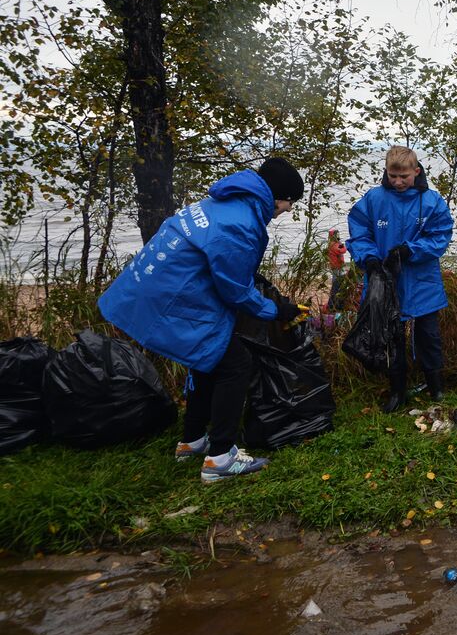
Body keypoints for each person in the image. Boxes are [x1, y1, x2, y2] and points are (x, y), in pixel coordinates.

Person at [98, 158, 306, 483]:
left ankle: (192, 440)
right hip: (171, 297)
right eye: (290, 202)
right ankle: (220, 457)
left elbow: (224, 264)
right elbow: (234, 292)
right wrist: (275, 311)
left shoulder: (227, 204)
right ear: (278, 196)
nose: (288, 210)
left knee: (208, 359)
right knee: (236, 365)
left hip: (157, 289)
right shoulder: (241, 224)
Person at [347, 146, 455, 413]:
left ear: (416, 172)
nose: (397, 182)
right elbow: (359, 233)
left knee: (428, 336)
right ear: (386, 172)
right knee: (391, 338)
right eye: (392, 176)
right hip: (385, 282)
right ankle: (398, 391)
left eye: (404, 176)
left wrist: (409, 250)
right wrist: (369, 258)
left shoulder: (432, 201)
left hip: (421, 281)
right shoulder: (373, 199)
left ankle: (436, 388)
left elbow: (440, 237)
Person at [327, 228, 349, 310]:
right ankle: (332, 305)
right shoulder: (333, 245)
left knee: (339, 285)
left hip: (339, 267)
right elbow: (342, 250)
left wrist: (340, 243)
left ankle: (336, 304)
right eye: (336, 235)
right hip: (336, 268)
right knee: (336, 286)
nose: (338, 236)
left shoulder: (335, 243)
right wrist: (342, 245)